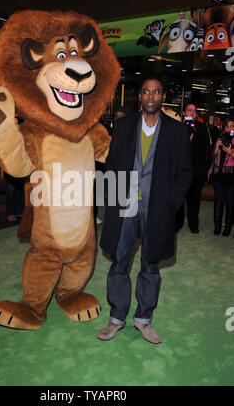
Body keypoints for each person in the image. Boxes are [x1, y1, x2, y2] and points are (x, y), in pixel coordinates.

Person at [97, 75, 193, 344]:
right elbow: (112, 164)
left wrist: (171, 203)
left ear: (163, 97)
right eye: (146, 92)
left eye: (157, 92)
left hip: (158, 210)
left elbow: (186, 173)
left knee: (150, 265)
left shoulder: (177, 131)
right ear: (139, 96)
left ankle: (144, 319)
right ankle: (116, 317)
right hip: (125, 207)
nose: (151, 97)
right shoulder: (124, 125)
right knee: (120, 261)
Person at [175, 103, 211, 233]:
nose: (192, 113)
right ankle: (177, 224)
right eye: (189, 110)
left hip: (196, 171)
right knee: (178, 199)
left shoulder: (202, 128)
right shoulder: (177, 127)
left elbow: (206, 148)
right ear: (184, 112)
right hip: (180, 171)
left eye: (194, 111)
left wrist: (193, 142)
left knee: (194, 200)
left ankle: (193, 224)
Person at [209, 117, 234, 237]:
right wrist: (216, 149)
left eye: (232, 126)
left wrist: (230, 152)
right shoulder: (219, 139)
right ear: (224, 128)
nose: (230, 129)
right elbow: (212, 158)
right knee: (219, 201)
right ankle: (217, 227)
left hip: (231, 176)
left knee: (230, 202)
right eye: (228, 126)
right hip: (219, 175)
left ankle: (228, 228)